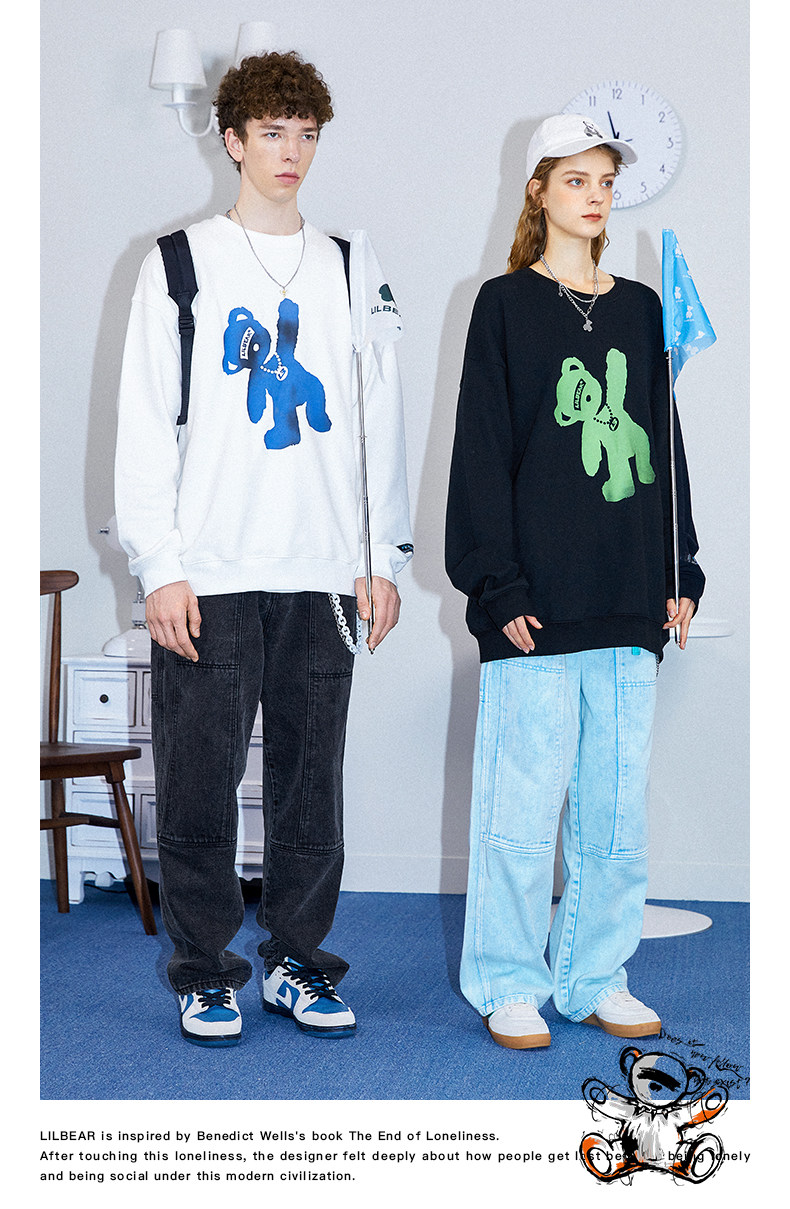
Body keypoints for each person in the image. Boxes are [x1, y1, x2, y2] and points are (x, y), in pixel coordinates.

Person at [115, 51, 412, 1046]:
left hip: (323, 570)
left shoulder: (349, 265)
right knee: (198, 785)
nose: (292, 152)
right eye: (273, 133)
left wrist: (382, 557)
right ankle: (205, 972)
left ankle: (296, 961)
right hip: (210, 569)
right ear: (233, 140)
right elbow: (144, 421)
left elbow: (379, 420)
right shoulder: (177, 262)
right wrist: (160, 565)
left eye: (307, 134)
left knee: (309, 784)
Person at [445, 113, 704, 1050]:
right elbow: (481, 453)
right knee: (519, 812)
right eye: (576, 180)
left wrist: (682, 567)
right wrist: (497, 586)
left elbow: (663, 443)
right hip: (536, 606)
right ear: (539, 192)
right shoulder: (502, 304)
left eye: (605, 182)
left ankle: (596, 974)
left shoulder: (640, 306)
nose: (595, 197)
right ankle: (508, 980)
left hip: (629, 596)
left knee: (615, 813)